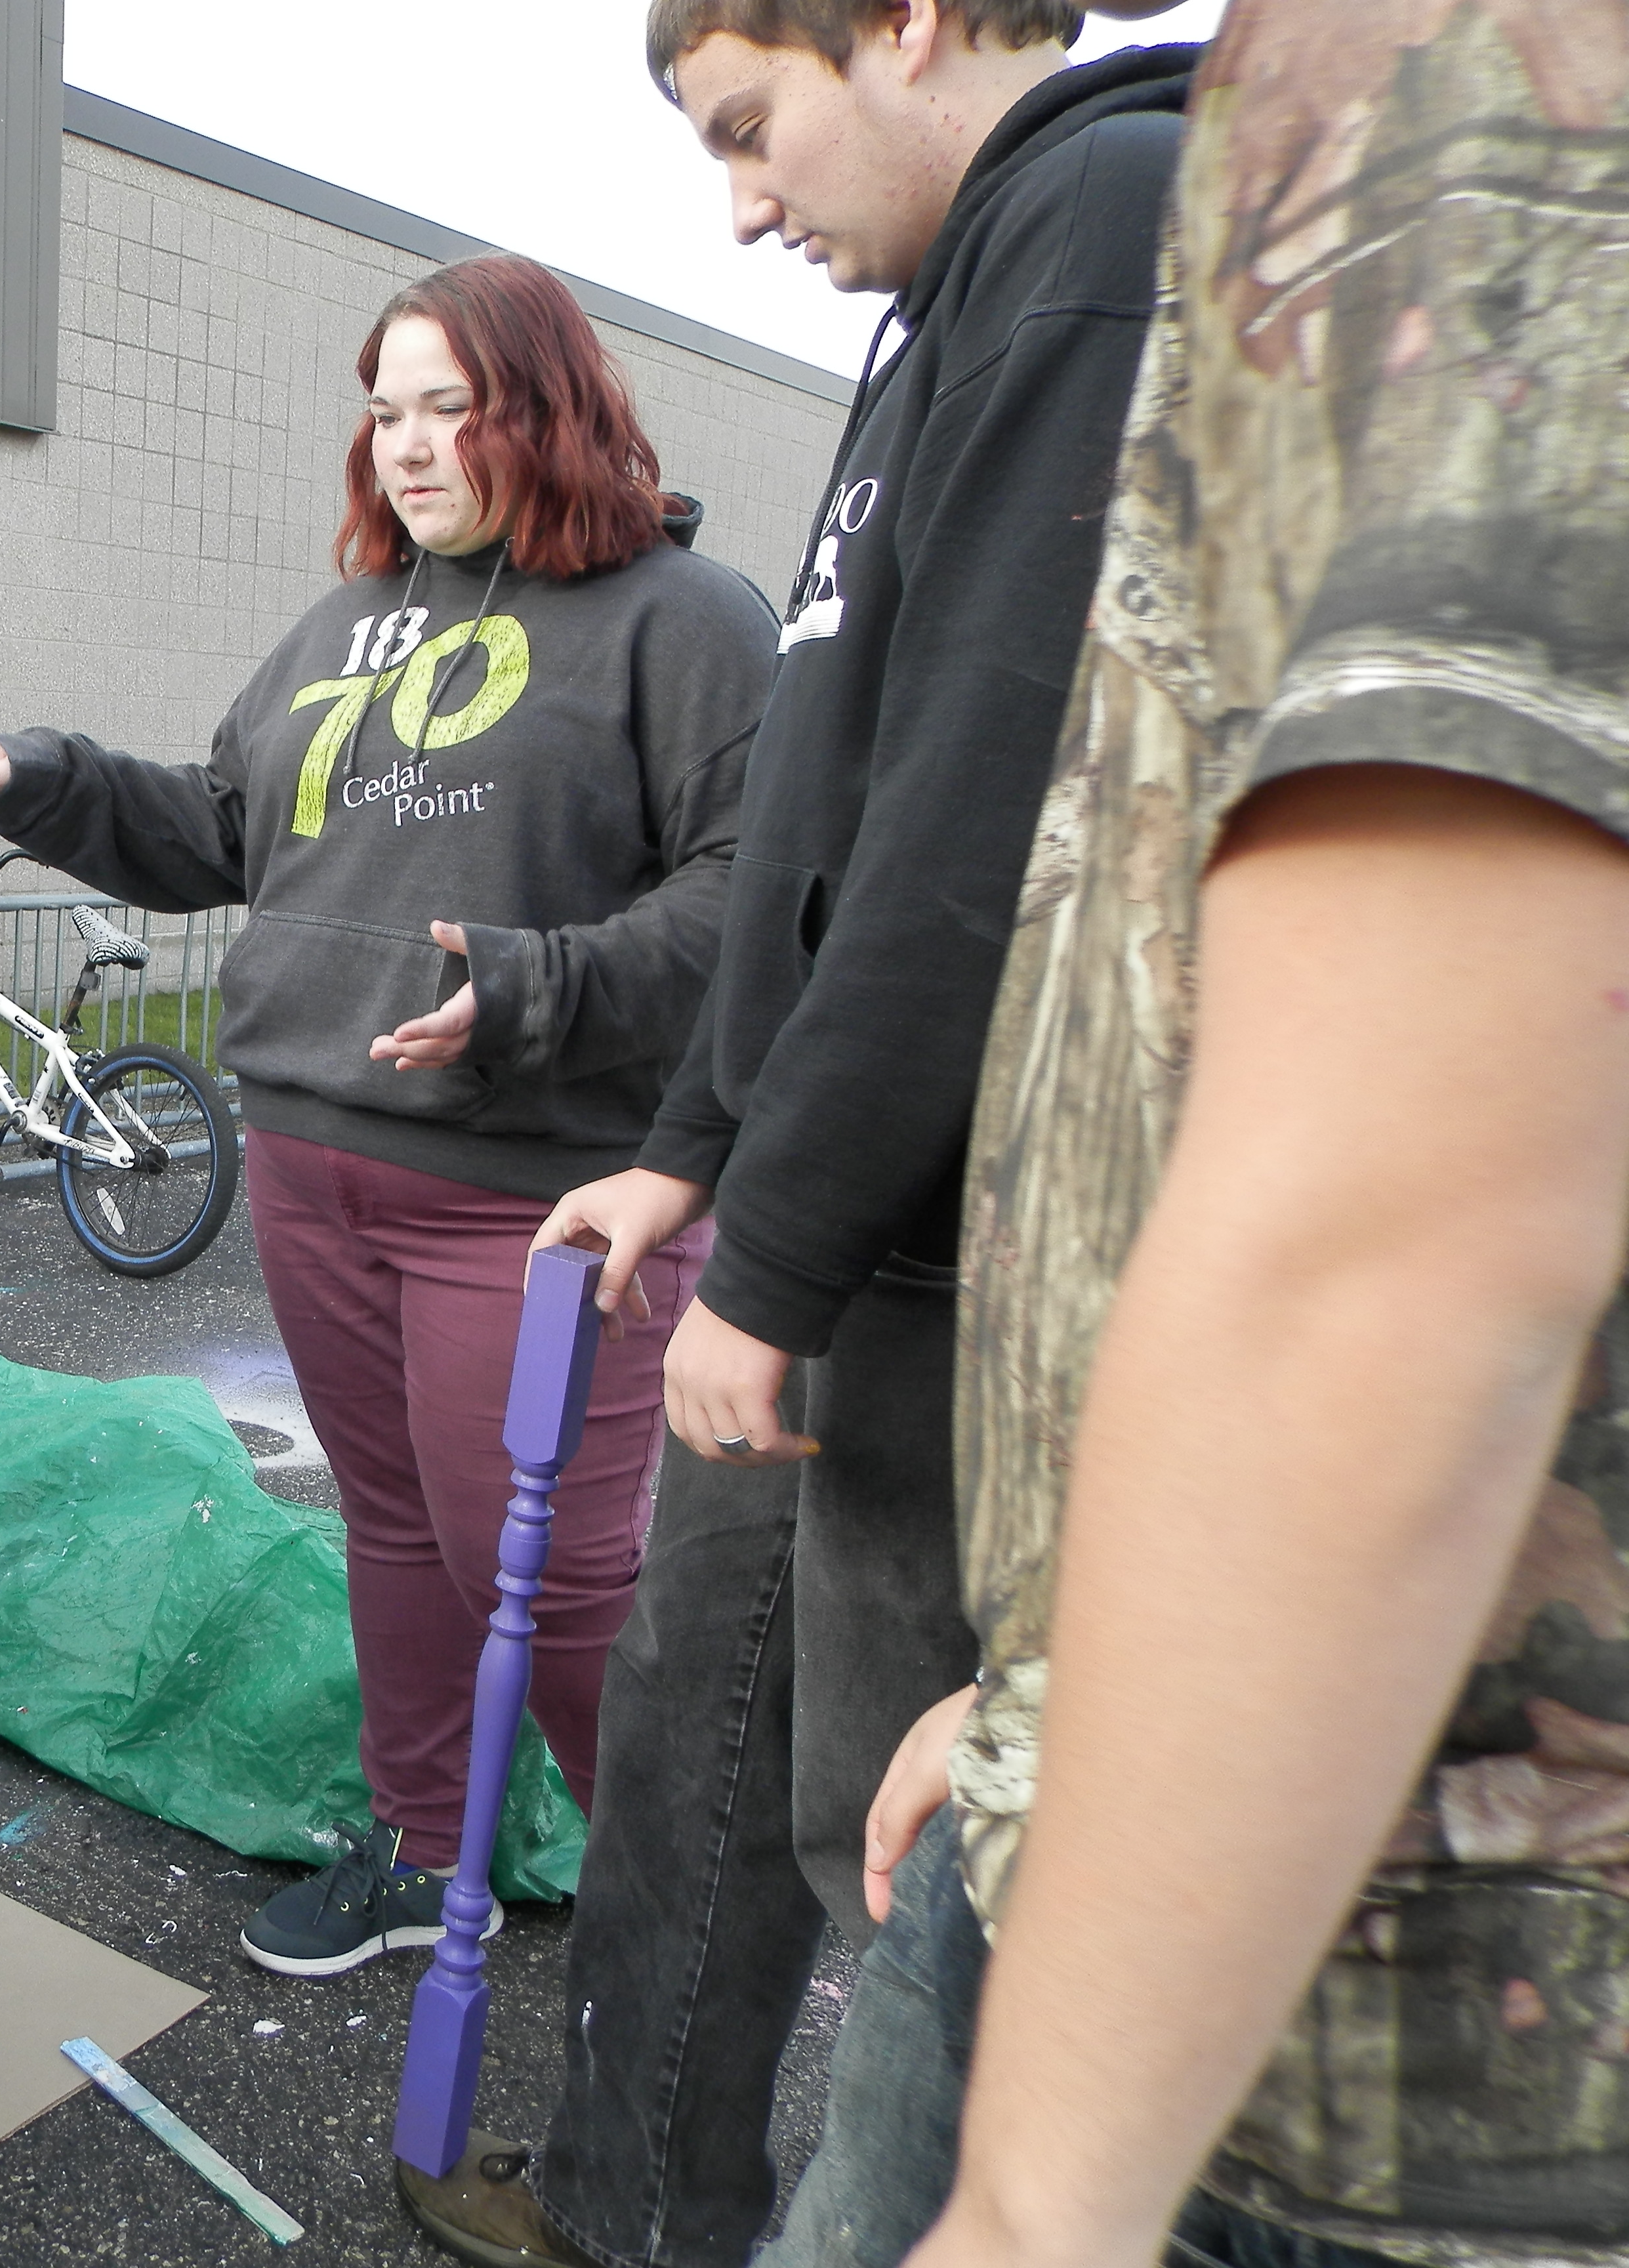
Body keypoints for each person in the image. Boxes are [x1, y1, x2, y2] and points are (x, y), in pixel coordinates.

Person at [758, 5, 1629, 2266]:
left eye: (745, 126)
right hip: (1254, 1833)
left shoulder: (1439, 50)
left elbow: (1403, 1232)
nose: (737, 205)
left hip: (1405, 2042)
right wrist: (1058, 1660)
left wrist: (1038, 2204)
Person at [396, 7, 1197, 2264]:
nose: (740, 203)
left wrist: (779, 1248)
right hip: (824, 1219)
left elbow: (977, 815)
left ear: (912, 25)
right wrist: (689, 1150)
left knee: (951, 1863)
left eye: (749, 128)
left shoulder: (1103, 224)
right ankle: (629, 2201)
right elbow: (815, 842)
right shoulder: (942, 296)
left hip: (958, 1267)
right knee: (691, 1751)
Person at [0, 252, 780, 1978]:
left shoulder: (690, 621)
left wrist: (540, 988)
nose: (403, 445)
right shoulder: (343, 625)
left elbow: (755, 893)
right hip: (317, 1168)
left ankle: (682, 1916)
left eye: (447, 406)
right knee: (390, 1531)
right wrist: (44, 775)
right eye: (381, 408)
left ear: (546, 408)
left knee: (550, 1567)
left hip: (532, 1193)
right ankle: (409, 1844)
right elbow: (221, 827)